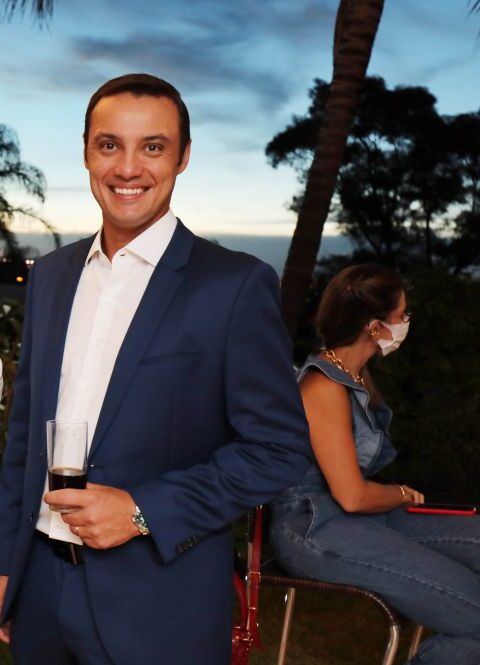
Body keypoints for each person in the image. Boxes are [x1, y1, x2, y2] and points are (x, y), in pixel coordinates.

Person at [0, 73, 311, 665]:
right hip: (38, 589)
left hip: (159, 606)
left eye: (152, 146)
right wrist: (4, 569)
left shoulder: (234, 285)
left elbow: (278, 449)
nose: (127, 168)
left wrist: (143, 511)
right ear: (86, 152)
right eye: (109, 144)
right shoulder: (51, 276)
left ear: (183, 156)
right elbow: (23, 438)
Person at [269, 264, 480, 665]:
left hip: (352, 517)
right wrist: (399, 493)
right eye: (402, 315)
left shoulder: (352, 373)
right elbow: (352, 496)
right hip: (315, 527)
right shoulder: (324, 387)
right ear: (375, 327)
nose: (406, 323)